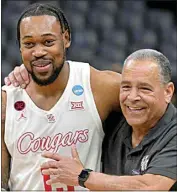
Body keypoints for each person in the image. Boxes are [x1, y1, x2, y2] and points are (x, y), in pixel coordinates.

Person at [6, 49, 177, 190]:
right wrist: (33, 72)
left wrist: (83, 176)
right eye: (126, 86)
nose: (132, 97)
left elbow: (151, 186)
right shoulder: (117, 117)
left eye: (144, 89)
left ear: (168, 91)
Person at [1, 3, 122, 191]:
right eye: (29, 44)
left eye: (48, 42)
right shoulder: (6, 100)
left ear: (66, 39)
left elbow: (153, 97)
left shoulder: (97, 85)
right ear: (19, 47)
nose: (39, 52)